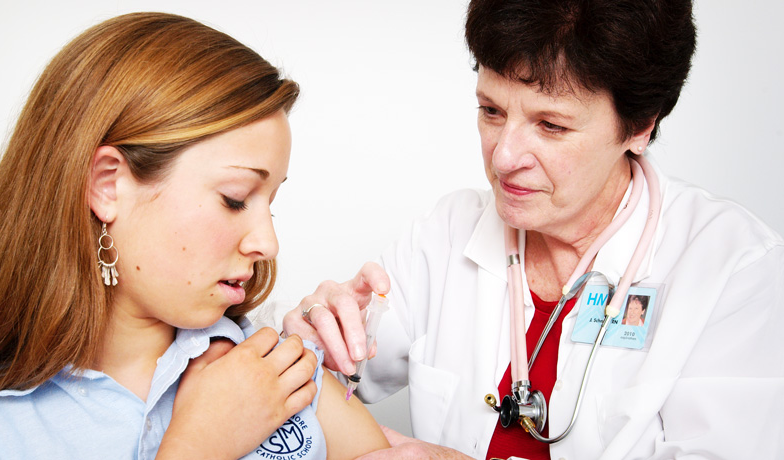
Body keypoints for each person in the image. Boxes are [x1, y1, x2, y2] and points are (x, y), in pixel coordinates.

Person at [282, 0, 784, 459]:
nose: (503, 157)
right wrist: (316, 335)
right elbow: (330, 385)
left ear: (639, 125)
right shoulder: (447, 233)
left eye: (551, 126)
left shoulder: (732, 266)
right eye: (491, 111)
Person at [0, 12, 388, 460]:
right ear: (108, 185)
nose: (268, 244)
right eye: (234, 197)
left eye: (271, 203)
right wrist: (198, 447)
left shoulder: (285, 373)